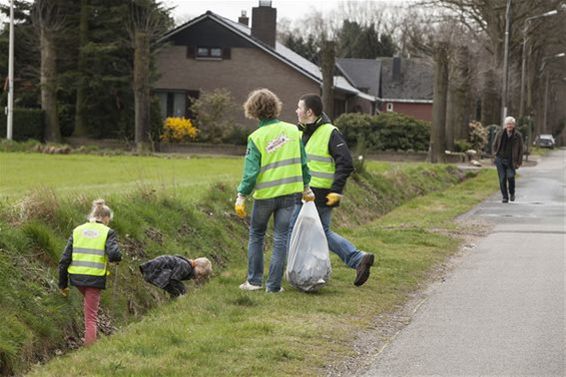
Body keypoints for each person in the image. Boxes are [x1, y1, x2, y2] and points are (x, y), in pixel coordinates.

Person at [235, 88, 314, 293]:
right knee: (281, 239)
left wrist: (241, 195)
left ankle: (253, 282)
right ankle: (274, 286)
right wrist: (306, 187)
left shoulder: (256, 137)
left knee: (257, 235)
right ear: (275, 107)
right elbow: (304, 164)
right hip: (290, 195)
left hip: (265, 197)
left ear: (253, 110)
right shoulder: (293, 132)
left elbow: (251, 172)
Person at [294, 93, 375, 287]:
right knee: (317, 232)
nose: (296, 111)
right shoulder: (299, 132)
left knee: (306, 232)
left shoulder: (330, 132)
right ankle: (352, 260)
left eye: (299, 107)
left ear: (309, 112)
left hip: (319, 194)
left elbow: (346, 163)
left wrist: (336, 190)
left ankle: (308, 273)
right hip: (305, 192)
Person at [58, 199, 122, 346]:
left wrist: (63, 285)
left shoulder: (77, 230)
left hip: (77, 278)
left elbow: (64, 260)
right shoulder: (108, 232)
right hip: (94, 279)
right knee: (91, 317)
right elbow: (114, 255)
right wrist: (117, 257)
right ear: (106, 218)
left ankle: (93, 337)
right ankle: (90, 350)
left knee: (89, 310)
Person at [139, 255, 212, 298]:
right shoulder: (185, 267)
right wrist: (183, 291)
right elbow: (174, 279)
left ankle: (175, 297)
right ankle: (178, 297)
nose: (197, 277)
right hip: (154, 270)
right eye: (199, 273)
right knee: (177, 287)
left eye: (200, 276)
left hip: (151, 269)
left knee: (175, 288)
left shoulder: (186, 264)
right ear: (196, 264)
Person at [492, 116, 524, 203]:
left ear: (514, 125)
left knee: (510, 177)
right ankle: (505, 197)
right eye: (508, 124)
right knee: (502, 179)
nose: (509, 126)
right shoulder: (500, 134)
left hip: (511, 161)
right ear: (505, 125)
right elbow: (494, 145)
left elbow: (521, 150)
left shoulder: (518, 136)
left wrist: (519, 162)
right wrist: (495, 155)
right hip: (500, 159)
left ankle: (512, 193)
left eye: (511, 124)